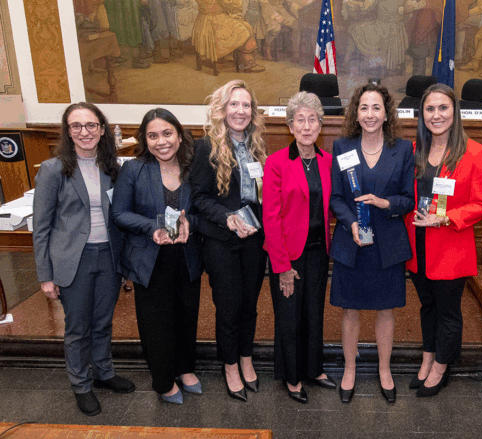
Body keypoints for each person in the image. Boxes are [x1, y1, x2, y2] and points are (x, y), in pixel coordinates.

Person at [33, 102, 135, 416]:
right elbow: (41, 226)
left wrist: (127, 263)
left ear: (102, 129)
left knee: (103, 322)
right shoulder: (53, 169)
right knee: (78, 328)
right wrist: (45, 275)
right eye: (76, 126)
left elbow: (121, 216)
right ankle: (81, 384)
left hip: (108, 256)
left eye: (91, 125)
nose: (84, 132)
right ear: (68, 132)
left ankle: (104, 373)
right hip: (71, 260)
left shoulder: (112, 166)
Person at [405, 83, 482, 397]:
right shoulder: (415, 148)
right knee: (427, 306)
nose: (436, 114)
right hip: (418, 245)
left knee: (448, 310)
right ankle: (428, 358)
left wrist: (446, 217)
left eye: (443, 108)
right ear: (422, 114)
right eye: (430, 109)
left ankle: (442, 365)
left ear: (455, 112)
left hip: (451, 245)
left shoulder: (476, 152)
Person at [112, 108, 204, 405]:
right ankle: (163, 380)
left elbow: (205, 208)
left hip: (187, 256)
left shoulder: (194, 167)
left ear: (179, 134)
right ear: (144, 139)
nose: (161, 141)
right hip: (149, 259)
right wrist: (151, 226)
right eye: (153, 135)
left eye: (167, 133)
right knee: (156, 322)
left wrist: (194, 222)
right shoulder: (134, 169)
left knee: (186, 316)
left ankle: (186, 368)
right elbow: (120, 213)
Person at [329, 83, 415, 404]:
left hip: (388, 242)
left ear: (386, 112)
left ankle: (384, 369)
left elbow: (407, 199)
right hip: (352, 241)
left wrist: (384, 203)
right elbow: (336, 198)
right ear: (356, 112)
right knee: (349, 310)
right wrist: (351, 222)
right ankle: (349, 369)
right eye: (363, 108)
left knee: (385, 310)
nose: (369, 114)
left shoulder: (403, 149)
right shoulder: (342, 146)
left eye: (376, 108)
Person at [190, 79, 268, 402]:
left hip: (252, 238)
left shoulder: (257, 146)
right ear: (222, 110)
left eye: (246, 105)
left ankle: (246, 357)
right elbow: (198, 198)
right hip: (221, 239)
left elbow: (261, 195)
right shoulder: (205, 147)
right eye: (234, 104)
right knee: (229, 305)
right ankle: (231, 365)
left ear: (253, 111)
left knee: (250, 304)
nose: (240, 111)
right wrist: (227, 218)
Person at [263, 92, 337, 404]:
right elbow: (271, 217)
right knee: (289, 316)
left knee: (313, 313)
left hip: (319, 252)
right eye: (299, 120)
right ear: (290, 126)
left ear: (320, 125)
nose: (306, 126)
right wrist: (282, 267)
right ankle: (292, 376)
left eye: (312, 120)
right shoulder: (277, 162)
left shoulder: (328, 161)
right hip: (288, 255)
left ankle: (314, 368)